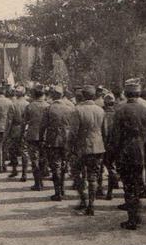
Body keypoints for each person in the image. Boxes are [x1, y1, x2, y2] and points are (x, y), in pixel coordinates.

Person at [108, 80, 146, 229]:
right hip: (141, 151)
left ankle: (132, 219)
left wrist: (111, 156)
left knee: (128, 186)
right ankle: (137, 214)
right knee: (137, 183)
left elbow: (115, 136)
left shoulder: (120, 110)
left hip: (125, 152)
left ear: (127, 94)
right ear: (138, 93)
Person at [70, 85, 105, 215]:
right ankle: (91, 205)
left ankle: (83, 200)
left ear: (83, 96)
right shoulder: (100, 110)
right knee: (93, 176)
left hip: (82, 146)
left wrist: (70, 147)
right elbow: (104, 130)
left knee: (76, 173)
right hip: (97, 146)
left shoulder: (77, 110)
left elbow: (73, 132)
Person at [40, 85, 73, 201]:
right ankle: (63, 189)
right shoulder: (70, 108)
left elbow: (43, 126)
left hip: (52, 141)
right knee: (64, 165)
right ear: (63, 95)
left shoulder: (49, 109)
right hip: (66, 140)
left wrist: (41, 139)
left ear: (53, 96)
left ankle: (58, 192)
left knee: (55, 166)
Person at [22, 84, 49, 191]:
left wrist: (22, 135)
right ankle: (42, 179)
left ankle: (38, 183)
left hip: (32, 136)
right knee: (43, 159)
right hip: (45, 136)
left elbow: (24, 122)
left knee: (34, 160)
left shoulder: (29, 106)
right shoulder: (48, 106)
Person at [6, 85, 29, 181]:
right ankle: (24, 173)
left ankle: (15, 170)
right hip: (25, 129)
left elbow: (10, 120)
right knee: (24, 151)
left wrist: (7, 132)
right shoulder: (28, 104)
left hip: (15, 129)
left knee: (13, 150)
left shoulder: (13, 104)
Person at [101, 92, 119, 200]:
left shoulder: (101, 113)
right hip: (114, 144)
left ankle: (99, 188)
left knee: (99, 168)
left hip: (102, 143)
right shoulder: (118, 114)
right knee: (112, 167)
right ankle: (110, 191)